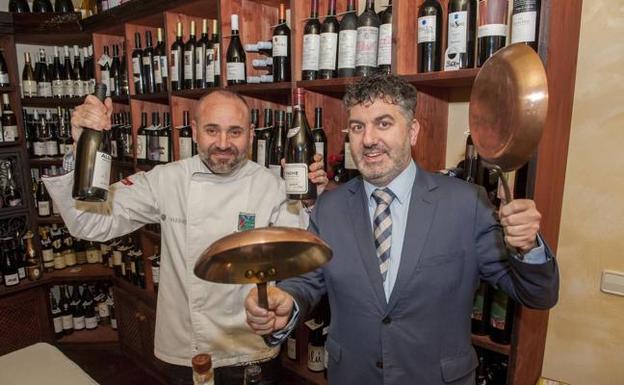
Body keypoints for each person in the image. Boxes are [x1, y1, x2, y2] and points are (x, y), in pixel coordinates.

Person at [244, 74, 559, 385]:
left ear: (412, 131)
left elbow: (537, 294)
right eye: (357, 127)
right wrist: (288, 300)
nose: (368, 140)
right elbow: (308, 281)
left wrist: (528, 247)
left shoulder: (466, 203)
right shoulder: (330, 207)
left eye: (383, 123)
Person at [42, 89, 328, 385]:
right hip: (187, 350)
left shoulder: (272, 186)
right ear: (194, 131)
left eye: (235, 132)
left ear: (251, 134)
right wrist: (79, 149)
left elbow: (300, 261)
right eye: (211, 130)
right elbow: (88, 222)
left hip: (251, 349)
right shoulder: (166, 180)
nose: (223, 144)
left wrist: (312, 199)